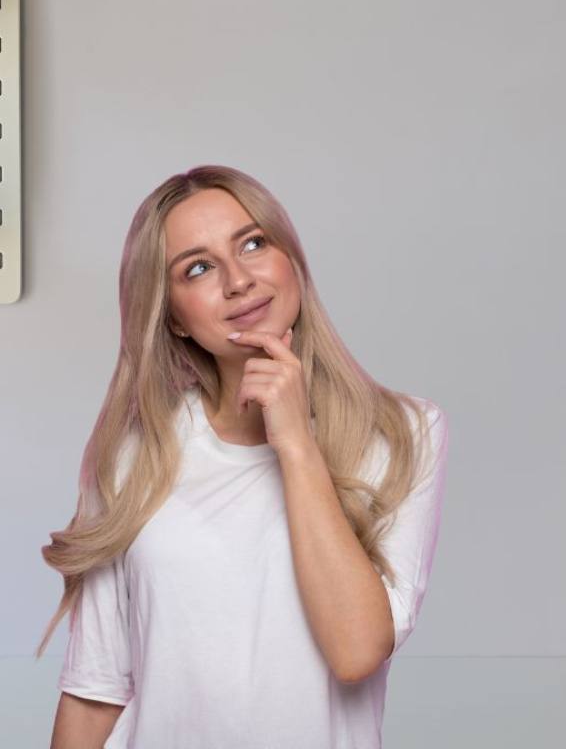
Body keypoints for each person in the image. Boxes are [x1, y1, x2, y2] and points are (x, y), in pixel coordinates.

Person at [38, 164, 449, 748]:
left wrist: (296, 445)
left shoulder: (403, 434)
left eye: (253, 243)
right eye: (198, 268)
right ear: (173, 317)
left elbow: (357, 652)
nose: (238, 280)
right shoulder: (136, 455)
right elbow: (94, 691)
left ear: (292, 262)